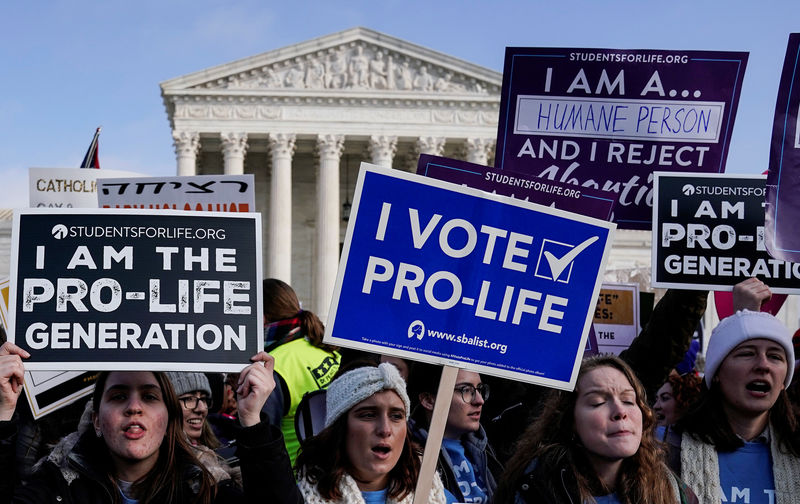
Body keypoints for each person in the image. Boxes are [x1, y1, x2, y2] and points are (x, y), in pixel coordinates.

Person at [0, 341, 302, 504]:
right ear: (96, 421)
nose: (134, 407)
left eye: (149, 397)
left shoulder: (205, 491)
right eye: (118, 396)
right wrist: (2, 413)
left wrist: (252, 420)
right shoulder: (55, 489)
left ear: (169, 418)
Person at [494, 354, 696, 504]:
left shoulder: (673, 491)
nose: (620, 411)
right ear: (570, 419)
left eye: (628, 400)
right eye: (598, 402)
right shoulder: (533, 490)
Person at [668, 310, 800, 503]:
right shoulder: (668, 450)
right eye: (747, 354)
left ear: (783, 381)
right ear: (716, 372)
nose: (763, 365)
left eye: (775, 357)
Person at [295, 362, 451, 504]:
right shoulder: (295, 498)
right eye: (368, 415)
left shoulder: (436, 496)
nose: (385, 430)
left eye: (396, 416)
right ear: (339, 428)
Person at [260, 278, 341, 466]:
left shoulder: (273, 366)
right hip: (335, 472)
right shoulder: (322, 345)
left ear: (262, 317)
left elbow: (263, 442)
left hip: (295, 480)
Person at [408, 365, 501, 503]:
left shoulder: (489, 448)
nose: (479, 400)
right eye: (466, 390)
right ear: (428, 401)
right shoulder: (407, 455)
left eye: (480, 389)